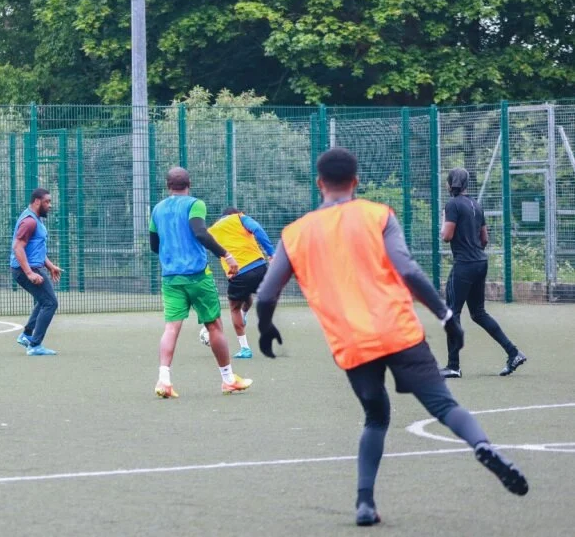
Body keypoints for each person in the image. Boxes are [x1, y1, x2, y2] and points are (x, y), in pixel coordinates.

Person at [255, 148, 528, 527]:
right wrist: (446, 315)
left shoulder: (294, 233)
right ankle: (482, 446)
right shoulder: (377, 215)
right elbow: (408, 270)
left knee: (375, 418)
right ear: (356, 181)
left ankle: (365, 503)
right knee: (444, 406)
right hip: (400, 332)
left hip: (352, 344)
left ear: (320, 183)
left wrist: (266, 327)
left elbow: (267, 294)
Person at [149, 167, 252, 398]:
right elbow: (200, 232)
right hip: (197, 276)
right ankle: (228, 379)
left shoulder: (157, 209)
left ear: (168, 185)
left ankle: (164, 380)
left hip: (171, 277)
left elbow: (154, 246)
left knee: (171, 328)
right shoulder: (195, 204)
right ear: (189, 184)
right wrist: (226, 255)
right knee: (214, 326)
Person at [440, 167, 526, 378]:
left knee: (452, 313)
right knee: (478, 313)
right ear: (467, 184)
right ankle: (513, 352)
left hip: (465, 265)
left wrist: (444, 219)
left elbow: (446, 236)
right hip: (480, 262)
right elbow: (484, 239)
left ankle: (453, 366)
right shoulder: (477, 206)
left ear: (450, 184)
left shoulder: (452, 205)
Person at [198, 207, 275, 358]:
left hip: (239, 274)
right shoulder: (240, 218)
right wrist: (271, 253)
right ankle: (244, 314)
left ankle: (245, 349)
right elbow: (257, 229)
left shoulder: (212, 230)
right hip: (260, 267)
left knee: (234, 308)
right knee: (248, 296)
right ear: (234, 214)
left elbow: (203, 249)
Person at [10, 188, 62, 356]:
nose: (50, 205)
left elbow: (36, 249)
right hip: (26, 270)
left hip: (32, 267)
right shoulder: (30, 222)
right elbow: (18, 247)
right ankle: (35, 345)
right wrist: (30, 273)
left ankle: (26, 335)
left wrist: (50, 266)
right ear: (37, 202)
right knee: (50, 303)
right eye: (47, 202)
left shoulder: (36, 220)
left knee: (43, 300)